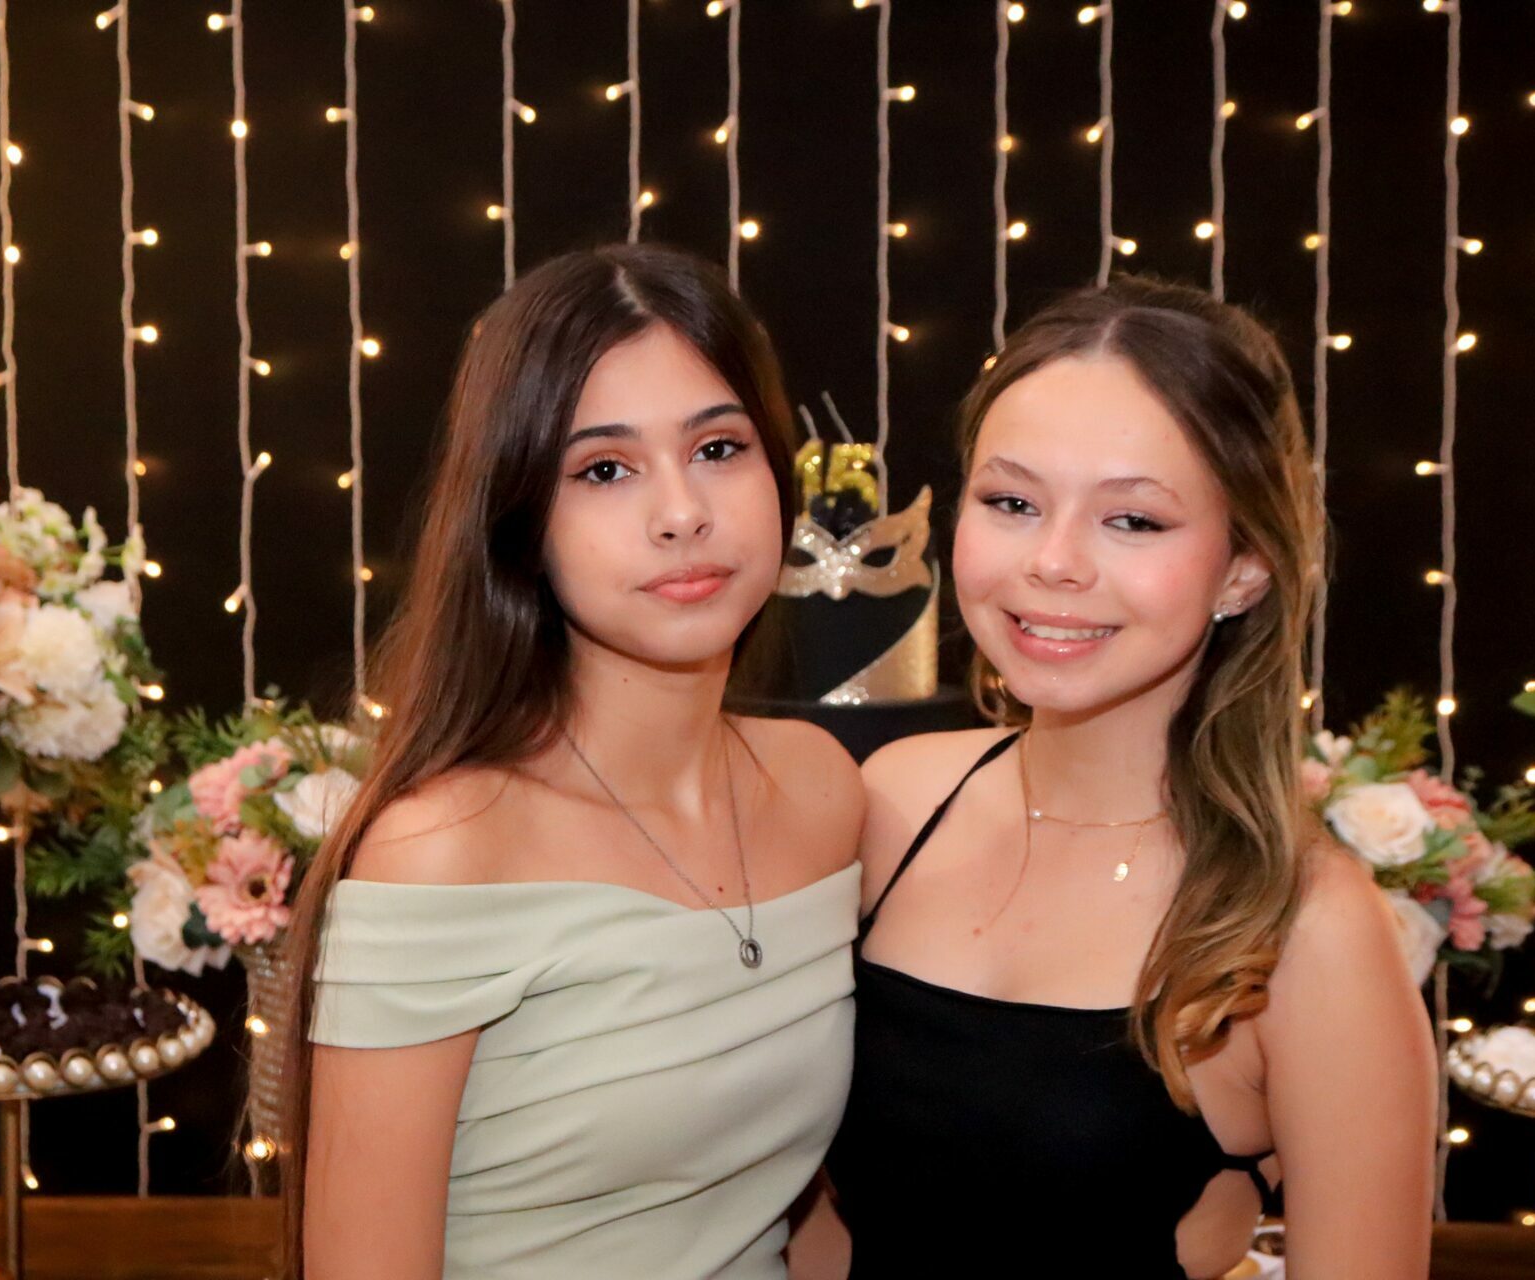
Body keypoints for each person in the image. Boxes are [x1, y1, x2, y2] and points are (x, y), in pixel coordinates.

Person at [817, 277, 1436, 1278]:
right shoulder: (893, 798)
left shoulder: (1306, 925)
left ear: (1245, 566)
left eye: (1134, 520)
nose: (1054, 562)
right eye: (1012, 502)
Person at [279, 244, 864, 1279]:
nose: (681, 512)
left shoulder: (819, 788)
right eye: (603, 469)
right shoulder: (444, 850)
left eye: (718, 447)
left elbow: (787, 1203)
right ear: (521, 524)